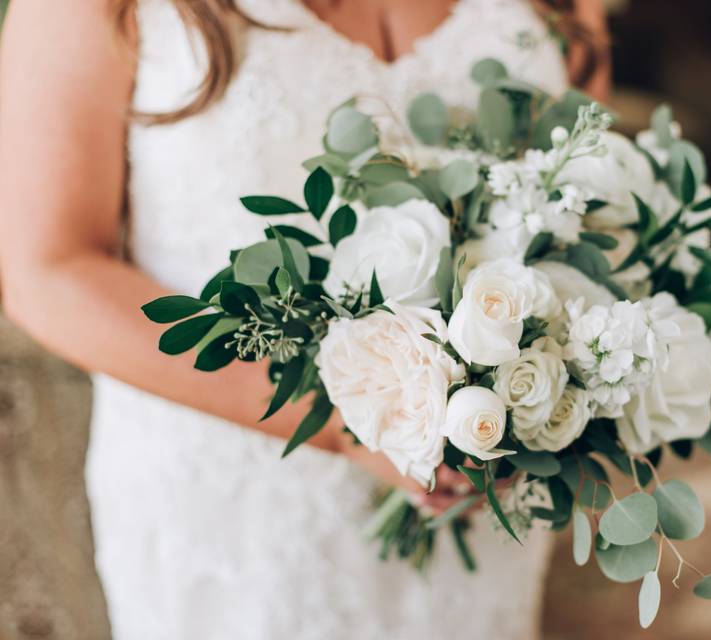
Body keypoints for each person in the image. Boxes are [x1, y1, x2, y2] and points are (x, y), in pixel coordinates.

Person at [0, 0, 609, 637]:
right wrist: (349, 423)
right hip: (238, 507)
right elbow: (50, 271)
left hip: (477, 496)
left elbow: (585, 207)